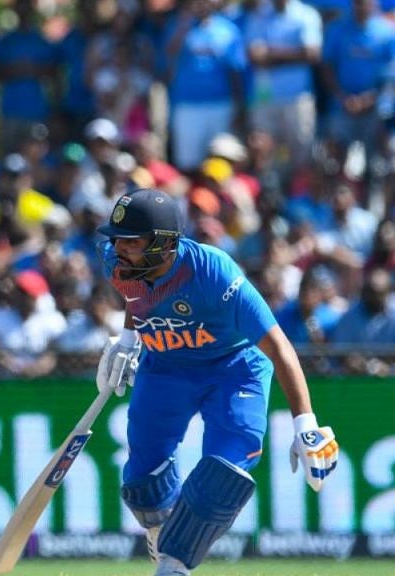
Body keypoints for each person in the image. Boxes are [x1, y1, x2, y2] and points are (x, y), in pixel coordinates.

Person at [95, 188, 339, 576]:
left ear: (164, 244)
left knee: (224, 473)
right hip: (166, 368)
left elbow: (277, 344)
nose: (120, 249)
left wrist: (305, 423)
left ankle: (174, 565)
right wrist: (128, 339)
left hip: (234, 368)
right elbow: (137, 296)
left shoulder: (213, 272)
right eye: (117, 239)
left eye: (132, 242)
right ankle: (165, 533)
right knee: (143, 486)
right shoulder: (118, 262)